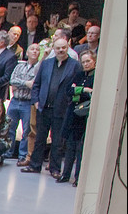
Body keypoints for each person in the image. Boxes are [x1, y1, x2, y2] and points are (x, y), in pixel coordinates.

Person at [23, 34, 83, 177]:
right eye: (58, 48)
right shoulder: (46, 63)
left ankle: (55, 169)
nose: (61, 50)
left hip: (62, 109)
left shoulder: (75, 66)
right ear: (53, 49)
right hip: (43, 108)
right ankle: (35, 165)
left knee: (57, 141)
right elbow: (36, 84)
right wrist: (36, 101)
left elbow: (77, 86)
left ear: (68, 48)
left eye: (63, 48)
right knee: (39, 139)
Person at [58, 50, 95, 186]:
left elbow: (91, 95)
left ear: (94, 61)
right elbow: (69, 91)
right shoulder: (78, 75)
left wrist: (77, 90)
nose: (85, 64)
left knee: (80, 149)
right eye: (83, 62)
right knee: (70, 147)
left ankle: (78, 177)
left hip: (84, 117)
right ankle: (65, 174)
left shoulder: (95, 76)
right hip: (73, 115)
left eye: (88, 61)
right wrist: (84, 90)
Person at [6, 42, 42, 163]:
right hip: (15, 101)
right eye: (32, 49)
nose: (35, 51)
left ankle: (22, 155)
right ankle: (8, 151)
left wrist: (20, 84)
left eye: (37, 50)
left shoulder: (40, 68)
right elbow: (12, 80)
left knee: (27, 131)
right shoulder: (19, 66)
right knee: (9, 127)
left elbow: (36, 84)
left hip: (28, 103)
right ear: (27, 52)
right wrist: (26, 83)